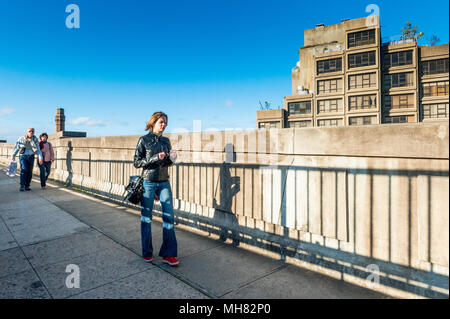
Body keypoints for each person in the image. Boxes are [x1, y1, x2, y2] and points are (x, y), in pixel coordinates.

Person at [133, 111, 179, 265]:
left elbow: (166, 163)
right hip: (148, 182)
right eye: (161, 122)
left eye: (165, 122)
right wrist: (154, 158)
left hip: (164, 181)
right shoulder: (143, 140)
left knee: (169, 217)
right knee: (146, 218)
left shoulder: (166, 141)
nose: (164, 125)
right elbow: (137, 162)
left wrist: (172, 159)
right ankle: (147, 252)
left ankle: (169, 254)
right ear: (153, 123)